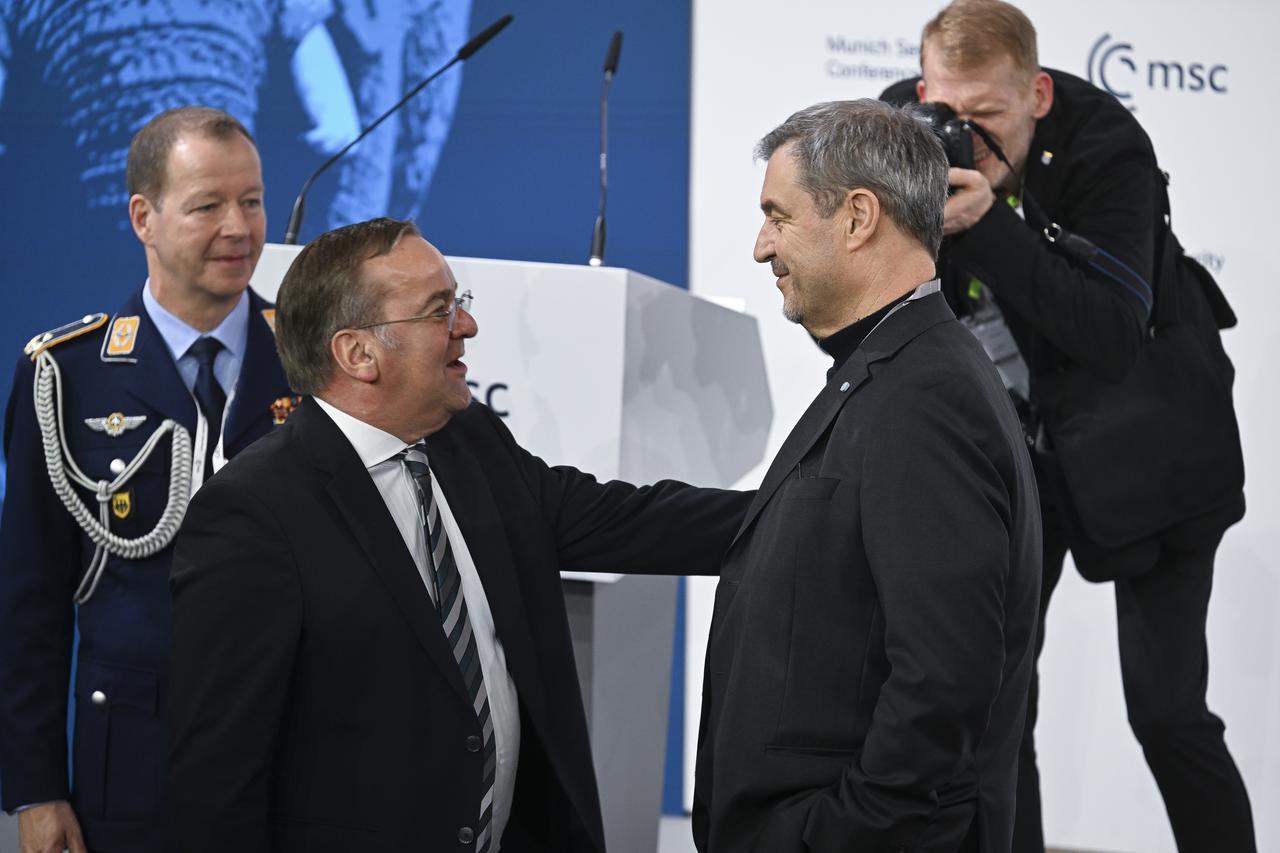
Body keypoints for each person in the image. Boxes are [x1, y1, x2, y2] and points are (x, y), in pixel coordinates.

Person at [165, 217, 750, 853]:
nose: (466, 325)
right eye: (438, 310)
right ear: (358, 354)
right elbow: (216, 781)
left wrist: (807, 512)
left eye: (458, 302)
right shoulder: (252, 513)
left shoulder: (471, 442)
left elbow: (628, 521)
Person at [882, 2, 1254, 851]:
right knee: (996, 708)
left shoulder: (1107, 147)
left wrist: (988, 226)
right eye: (947, 109)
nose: (965, 135)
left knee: (1168, 712)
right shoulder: (910, 132)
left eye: (988, 114)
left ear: (1038, 94)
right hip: (1022, 450)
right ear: (923, 89)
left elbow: (1112, 334)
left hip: (1155, 442)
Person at [692, 99, 1041, 853]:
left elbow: (943, 680)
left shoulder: (924, 396)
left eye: (778, 217)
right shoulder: (898, 370)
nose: (760, 246)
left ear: (857, 217)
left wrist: (838, 834)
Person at [0, 107, 293, 852]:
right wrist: (35, 786)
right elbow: (29, 601)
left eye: (252, 201)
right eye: (207, 206)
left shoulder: (313, 358)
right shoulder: (66, 377)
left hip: (294, 765)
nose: (239, 228)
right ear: (144, 218)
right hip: (132, 769)